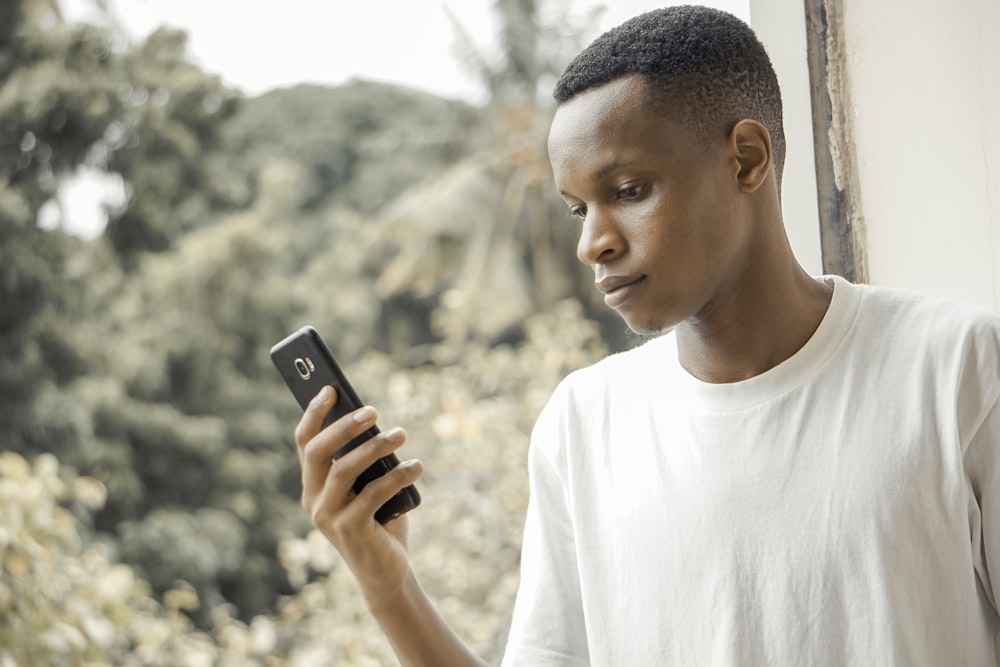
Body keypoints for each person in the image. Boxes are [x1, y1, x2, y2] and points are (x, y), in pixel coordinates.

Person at [293, 5, 1000, 665]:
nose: (592, 243)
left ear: (746, 159)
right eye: (577, 208)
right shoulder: (582, 425)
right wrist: (386, 583)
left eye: (628, 190)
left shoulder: (956, 370)